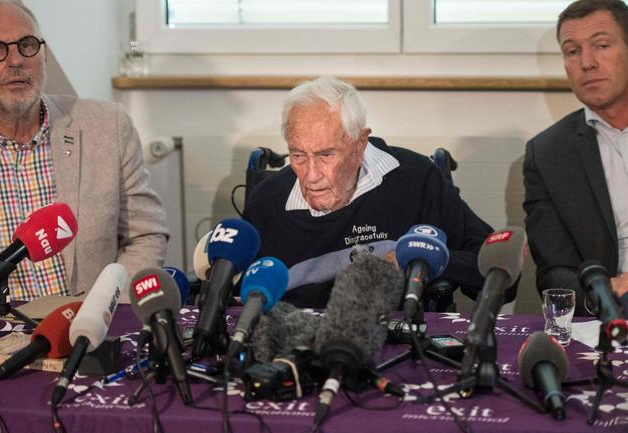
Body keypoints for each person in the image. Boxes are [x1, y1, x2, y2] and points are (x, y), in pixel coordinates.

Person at [243, 75, 508, 309]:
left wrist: (421, 258)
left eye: (326, 155)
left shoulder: (415, 179)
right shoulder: (267, 203)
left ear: (359, 145)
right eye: (298, 155)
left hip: (395, 343)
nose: (311, 175)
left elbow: (495, 271)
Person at [0, 0, 168, 302]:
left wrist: (105, 311)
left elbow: (145, 235)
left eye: (27, 45)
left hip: (91, 329)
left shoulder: (107, 127)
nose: (16, 61)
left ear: (43, 54)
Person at [523, 0, 628, 315]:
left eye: (602, 45)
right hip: (611, 313)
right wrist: (605, 294)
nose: (587, 63)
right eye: (572, 51)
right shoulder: (548, 154)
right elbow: (554, 272)